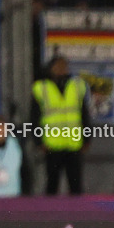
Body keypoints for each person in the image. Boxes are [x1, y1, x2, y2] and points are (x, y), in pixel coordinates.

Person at [32, 55, 90, 195]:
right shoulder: (41, 88)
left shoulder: (77, 86)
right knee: (52, 184)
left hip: (74, 144)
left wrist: (87, 138)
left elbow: (84, 115)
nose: (61, 69)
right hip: (52, 144)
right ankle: (50, 215)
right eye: (58, 66)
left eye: (64, 66)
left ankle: (78, 214)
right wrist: (38, 141)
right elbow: (34, 117)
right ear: (51, 68)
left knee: (76, 186)